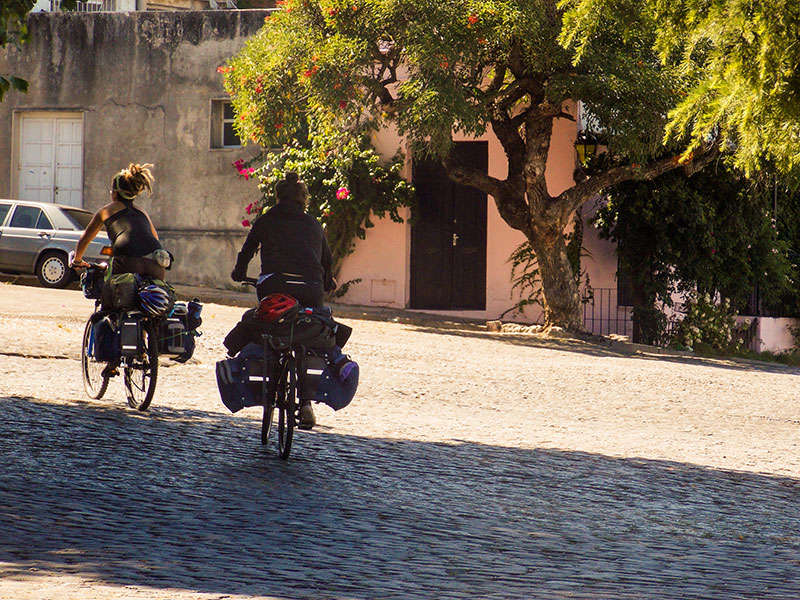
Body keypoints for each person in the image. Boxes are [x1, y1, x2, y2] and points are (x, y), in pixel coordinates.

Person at [231, 171, 336, 428]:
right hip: (310, 290)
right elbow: (327, 261)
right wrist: (327, 282)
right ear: (303, 199)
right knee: (308, 335)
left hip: (274, 286)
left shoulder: (266, 220)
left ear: (278, 196)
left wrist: (239, 273)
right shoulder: (313, 224)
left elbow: (246, 252)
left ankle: (266, 378)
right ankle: (306, 402)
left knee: (265, 325)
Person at [72, 163, 169, 280]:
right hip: (155, 261)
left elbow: (85, 240)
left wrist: (77, 260)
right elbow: (155, 237)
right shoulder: (142, 211)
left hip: (126, 260)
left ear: (115, 192)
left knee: (109, 290)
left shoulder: (106, 211)